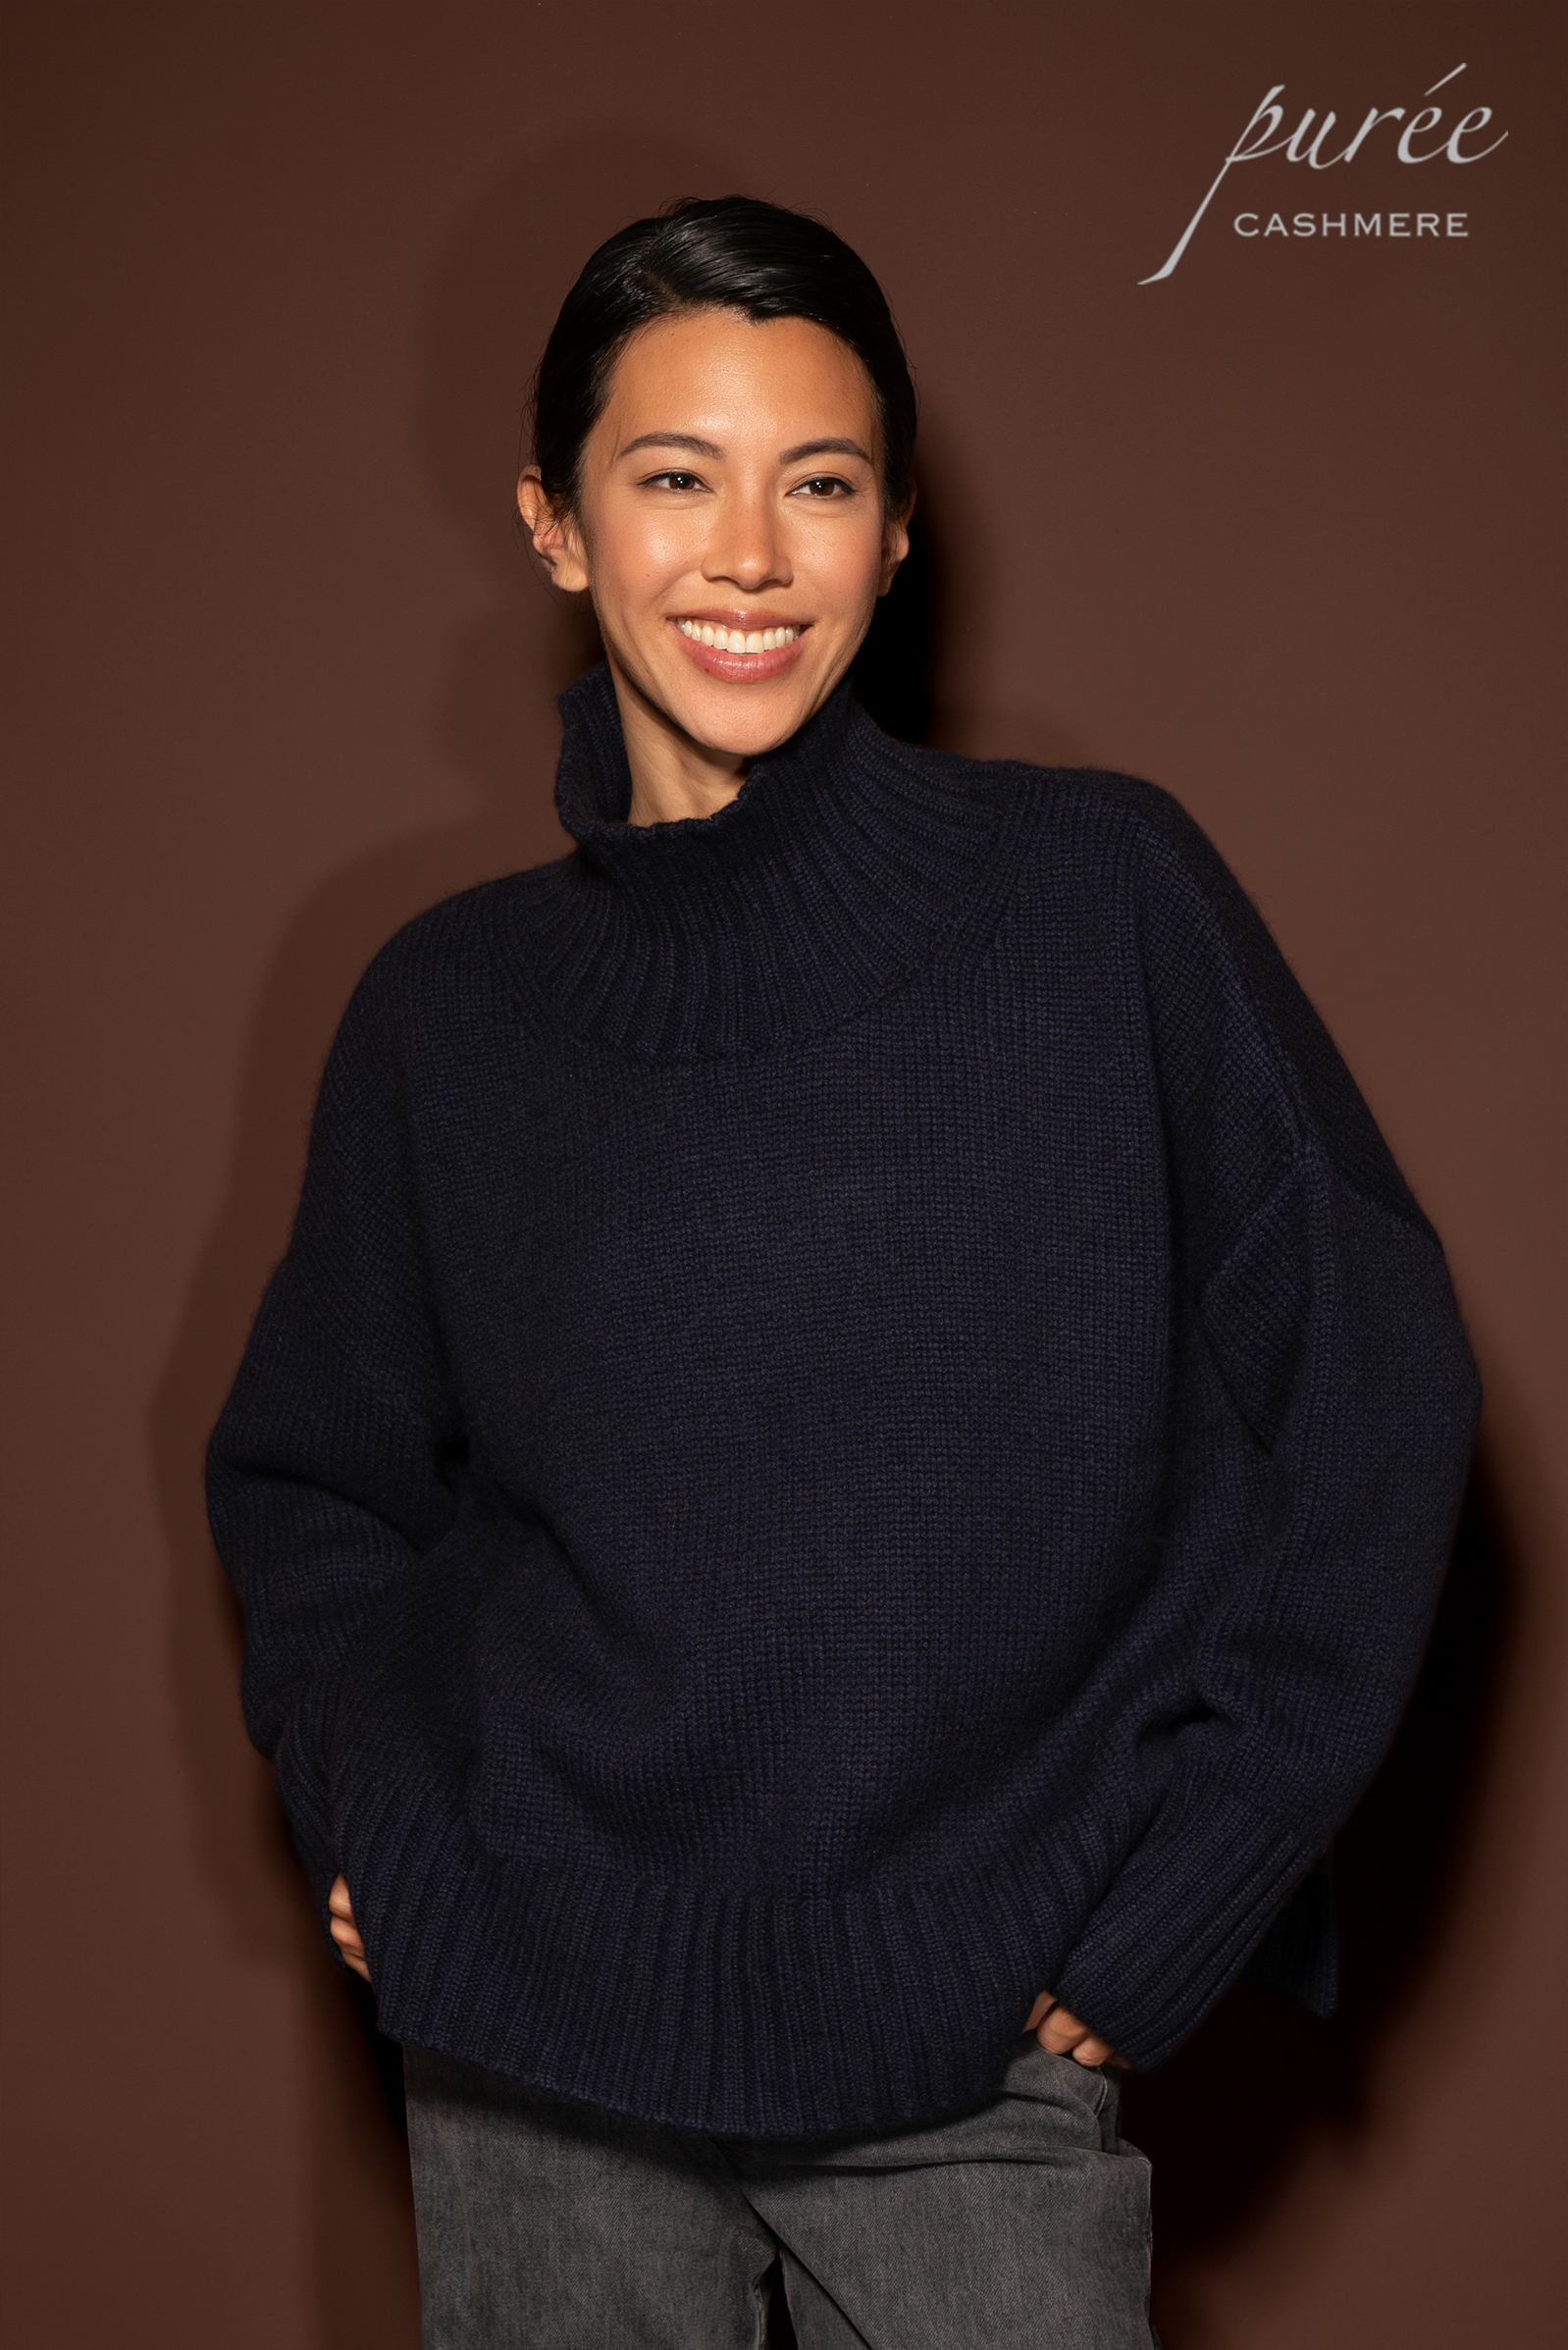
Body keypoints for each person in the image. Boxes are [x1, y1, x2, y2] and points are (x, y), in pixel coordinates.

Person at [207, 196, 1480, 2348]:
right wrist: (368, 1809)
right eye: (671, 476)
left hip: (971, 2032)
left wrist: (1199, 1877)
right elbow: (311, 1475)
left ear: (894, 536)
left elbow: (1372, 1377)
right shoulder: (446, 1008)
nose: (748, 555)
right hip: (529, 2030)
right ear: (552, 523)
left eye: (818, 484)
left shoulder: (1099, 897)